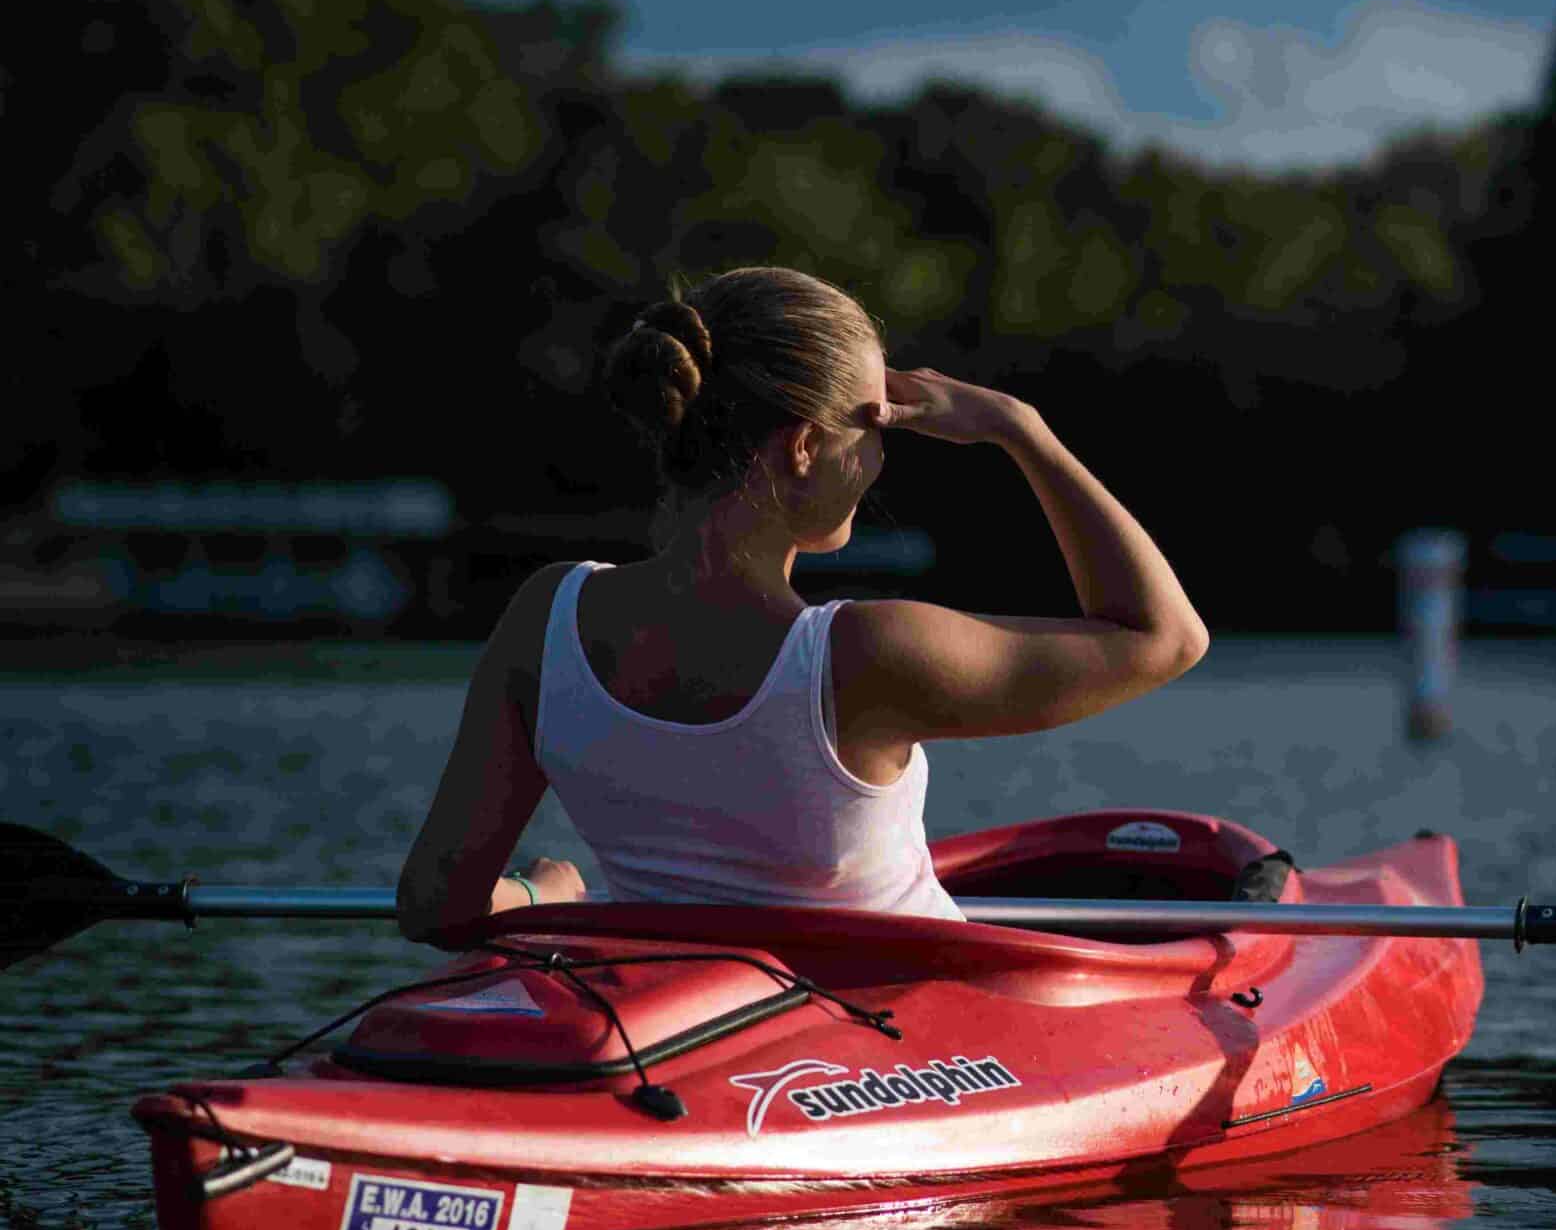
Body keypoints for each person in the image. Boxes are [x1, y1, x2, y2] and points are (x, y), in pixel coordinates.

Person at [395, 265, 1210, 942]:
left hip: (704, 1042)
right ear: (807, 448)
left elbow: (438, 904)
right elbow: (1166, 635)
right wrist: (1022, 430)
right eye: (878, 422)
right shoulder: (865, 655)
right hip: (904, 1059)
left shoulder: (547, 618)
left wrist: (546, 900)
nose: (885, 454)